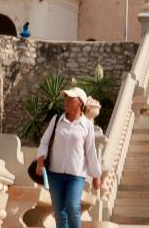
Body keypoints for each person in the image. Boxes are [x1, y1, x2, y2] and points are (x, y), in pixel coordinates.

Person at [36, 87, 103, 228]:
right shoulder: (56, 120)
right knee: (60, 213)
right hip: (55, 173)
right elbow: (44, 142)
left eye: (70, 98)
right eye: (65, 97)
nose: (66, 101)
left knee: (72, 207)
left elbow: (91, 151)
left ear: (80, 103)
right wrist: (40, 161)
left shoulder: (87, 126)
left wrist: (96, 176)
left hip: (76, 175)